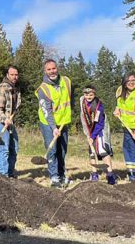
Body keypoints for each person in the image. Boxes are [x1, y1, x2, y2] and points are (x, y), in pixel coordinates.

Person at [36, 59, 73, 188]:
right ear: (45, 71)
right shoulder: (43, 89)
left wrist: (67, 116)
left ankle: (62, 175)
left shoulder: (67, 81)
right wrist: (53, 128)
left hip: (63, 121)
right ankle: (54, 177)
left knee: (62, 149)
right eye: (49, 69)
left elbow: (70, 99)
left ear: (57, 68)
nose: (52, 71)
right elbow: (47, 112)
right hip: (48, 122)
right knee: (52, 150)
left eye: (54, 68)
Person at [79, 86, 117, 185]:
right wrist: (88, 135)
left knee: (103, 152)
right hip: (89, 131)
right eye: (86, 94)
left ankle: (110, 175)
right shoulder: (82, 101)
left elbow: (100, 124)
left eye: (91, 95)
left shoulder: (99, 106)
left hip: (100, 131)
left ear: (94, 95)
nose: (88, 96)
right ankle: (94, 174)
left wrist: (93, 136)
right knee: (92, 152)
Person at [0, 65, 21, 177]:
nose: (14, 77)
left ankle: (10, 173)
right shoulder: (2, 88)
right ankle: (3, 176)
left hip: (10, 122)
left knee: (14, 148)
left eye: (16, 74)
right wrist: (5, 119)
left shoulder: (16, 89)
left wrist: (10, 118)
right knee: (4, 149)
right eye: (12, 74)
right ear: (7, 75)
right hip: (1, 122)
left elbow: (16, 107)